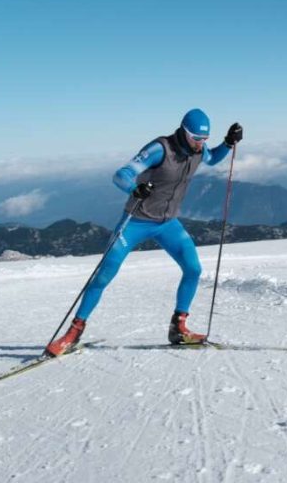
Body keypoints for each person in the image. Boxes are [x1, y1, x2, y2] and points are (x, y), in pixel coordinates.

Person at [45, 109, 243, 356]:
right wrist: (134, 188)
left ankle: (178, 329)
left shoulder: (200, 150)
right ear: (183, 130)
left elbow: (212, 158)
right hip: (136, 221)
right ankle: (73, 332)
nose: (200, 144)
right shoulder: (160, 148)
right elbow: (122, 174)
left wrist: (227, 143)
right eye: (196, 138)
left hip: (167, 222)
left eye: (204, 139)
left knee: (193, 269)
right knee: (103, 276)